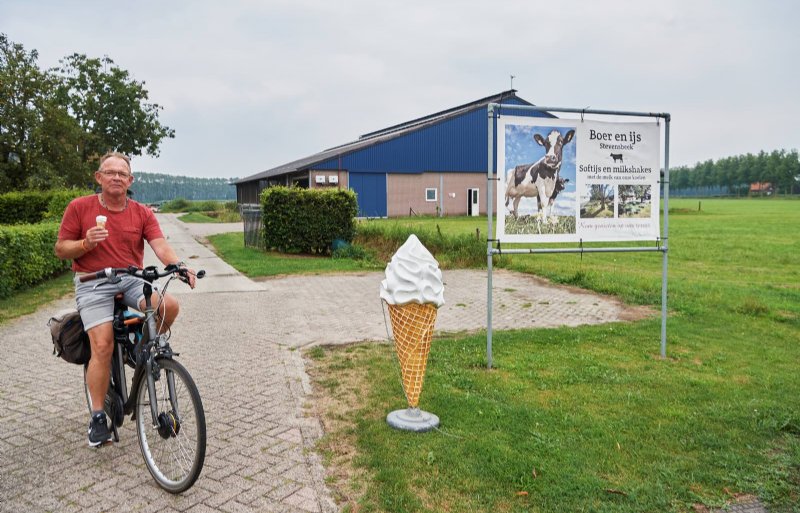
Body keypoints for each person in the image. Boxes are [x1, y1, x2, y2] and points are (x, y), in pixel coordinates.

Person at [55, 152, 196, 447]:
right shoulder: (79, 207)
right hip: (92, 281)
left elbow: (160, 245)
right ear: (99, 177)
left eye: (123, 173)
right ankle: (97, 418)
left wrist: (178, 265)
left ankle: (140, 351)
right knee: (103, 345)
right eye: (110, 172)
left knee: (169, 306)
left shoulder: (143, 212)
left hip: (131, 278)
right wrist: (85, 243)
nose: (117, 177)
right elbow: (61, 249)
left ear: (130, 180)